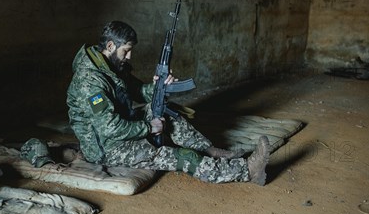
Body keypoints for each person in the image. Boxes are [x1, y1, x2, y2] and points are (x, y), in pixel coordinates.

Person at [66, 20, 270, 185]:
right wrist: (149, 127)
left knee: (166, 110)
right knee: (176, 156)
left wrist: (158, 87)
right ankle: (246, 171)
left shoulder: (110, 66)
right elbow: (109, 128)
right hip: (106, 149)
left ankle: (210, 150)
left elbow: (138, 91)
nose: (130, 56)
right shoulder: (90, 82)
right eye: (126, 51)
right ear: (110, 46)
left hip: (119, 127)